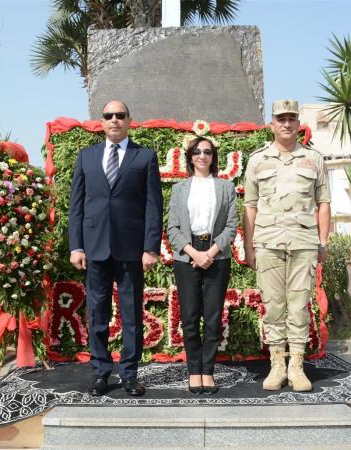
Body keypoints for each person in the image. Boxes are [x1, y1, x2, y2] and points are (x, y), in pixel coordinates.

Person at [68, 100, 163, 397]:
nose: (114, 120)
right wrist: (77, 246)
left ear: (129, 120)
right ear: (102, 122)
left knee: (132, 314)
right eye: (108, 116)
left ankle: (130, 374)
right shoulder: (86, 157)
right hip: (94, 249)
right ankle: (100, 372)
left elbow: (153, 206)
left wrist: (150, 247)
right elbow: (77, 207)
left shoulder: (144, 157)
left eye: (119, 116)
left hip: (131, 250)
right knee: (97, 313)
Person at [243, 99, 331, 392]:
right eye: (281, 119)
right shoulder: (257, 160)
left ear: (298, 123)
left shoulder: (314, 159)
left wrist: (323, 242)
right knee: (273, 304)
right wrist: (249, 246)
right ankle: (277, 364)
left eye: (292, 118)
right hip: (267, 242)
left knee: (299, 305)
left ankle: (297, 365)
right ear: (272, 124)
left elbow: (323, 203)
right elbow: (250, 206)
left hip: (303, 242)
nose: (286, 123)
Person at [167, 137, 237, 395]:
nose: (202, 156)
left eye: (207, 152)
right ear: (190, 156)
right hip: (187, 257)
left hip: (217, 256)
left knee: (213, 318)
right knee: (190, 317)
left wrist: (211, 252)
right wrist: (194, 253)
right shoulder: (179, 189)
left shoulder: (225, 187)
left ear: (213, 157)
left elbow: (231, 227)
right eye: (197, 151)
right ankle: (193, 371)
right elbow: (172, 228)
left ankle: (208, 372)